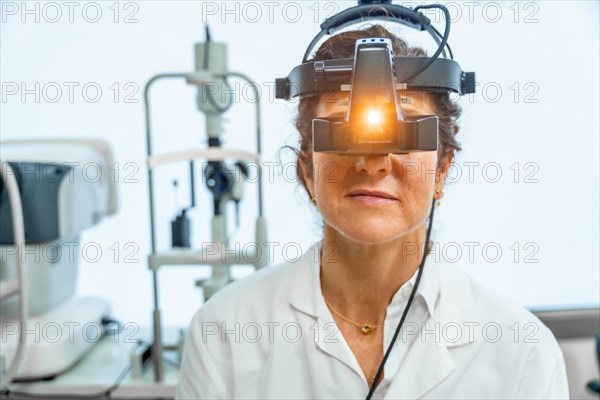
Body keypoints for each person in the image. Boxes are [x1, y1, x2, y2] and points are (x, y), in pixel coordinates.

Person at [176, 25, 569, 399]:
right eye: (342, 132)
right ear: (306, 170)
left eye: (406, 132)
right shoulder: (223, 333)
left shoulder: (523, 352)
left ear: (442, 169)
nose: (373, 162)